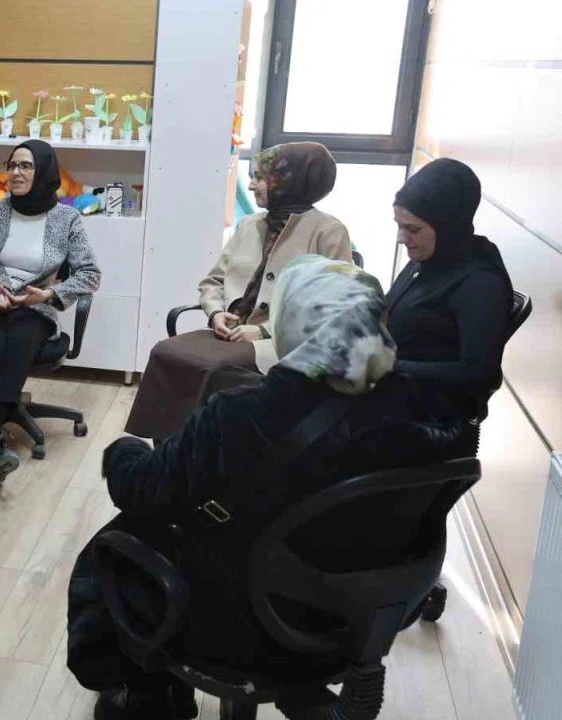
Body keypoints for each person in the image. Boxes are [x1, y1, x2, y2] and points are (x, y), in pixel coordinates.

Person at [68, 256, 469, 719]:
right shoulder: (423, 415)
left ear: (291, 323)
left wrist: (125, 451)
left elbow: (142, 491)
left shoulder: (241, 414)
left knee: (121, 540)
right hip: (359, 623)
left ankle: (144, 695)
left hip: (243, 628)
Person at [125, 142, 350, 440]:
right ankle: (168, 452)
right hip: (228, 333)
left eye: (260, 178)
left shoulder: (329, 232)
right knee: (164, 353)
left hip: (283, 344)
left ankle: (201, 453)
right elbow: (213, 282)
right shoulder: (248, 225)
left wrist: (265, 331)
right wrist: (216, 313)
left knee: (215, 371)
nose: (251, 184)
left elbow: (334, 308)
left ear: (290, 181)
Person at [0, 139, 101, 485]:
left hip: (34, 307)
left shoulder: (67, 219)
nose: (15, 172)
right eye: (12, 165)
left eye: (25, 166)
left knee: (18, 337)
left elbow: (90, 274)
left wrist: (48, 294)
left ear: (43, 171)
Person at [387, 158, 514, 428]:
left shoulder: (479, 284)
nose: (401, 238)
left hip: (426, 416)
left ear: (448, 226)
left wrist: (389, 366)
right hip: (392, 393)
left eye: (412, 229)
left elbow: (477, 373)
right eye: (399, 225)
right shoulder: (428, 260)